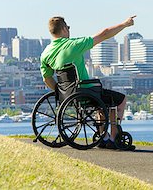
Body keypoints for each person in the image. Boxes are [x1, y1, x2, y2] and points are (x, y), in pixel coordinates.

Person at [40, 15, 137, 149]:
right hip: (85, 90)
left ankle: (103, 135)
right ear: (63, 29)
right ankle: (114, 137)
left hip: (68, 95)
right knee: (120, 99)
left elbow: (47, 78)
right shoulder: (74, 45)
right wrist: (125, 24)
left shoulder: (46, 53)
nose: (69, 30)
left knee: (100, 102)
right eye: (67, 27)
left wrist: (61, 92)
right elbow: (104, 33)